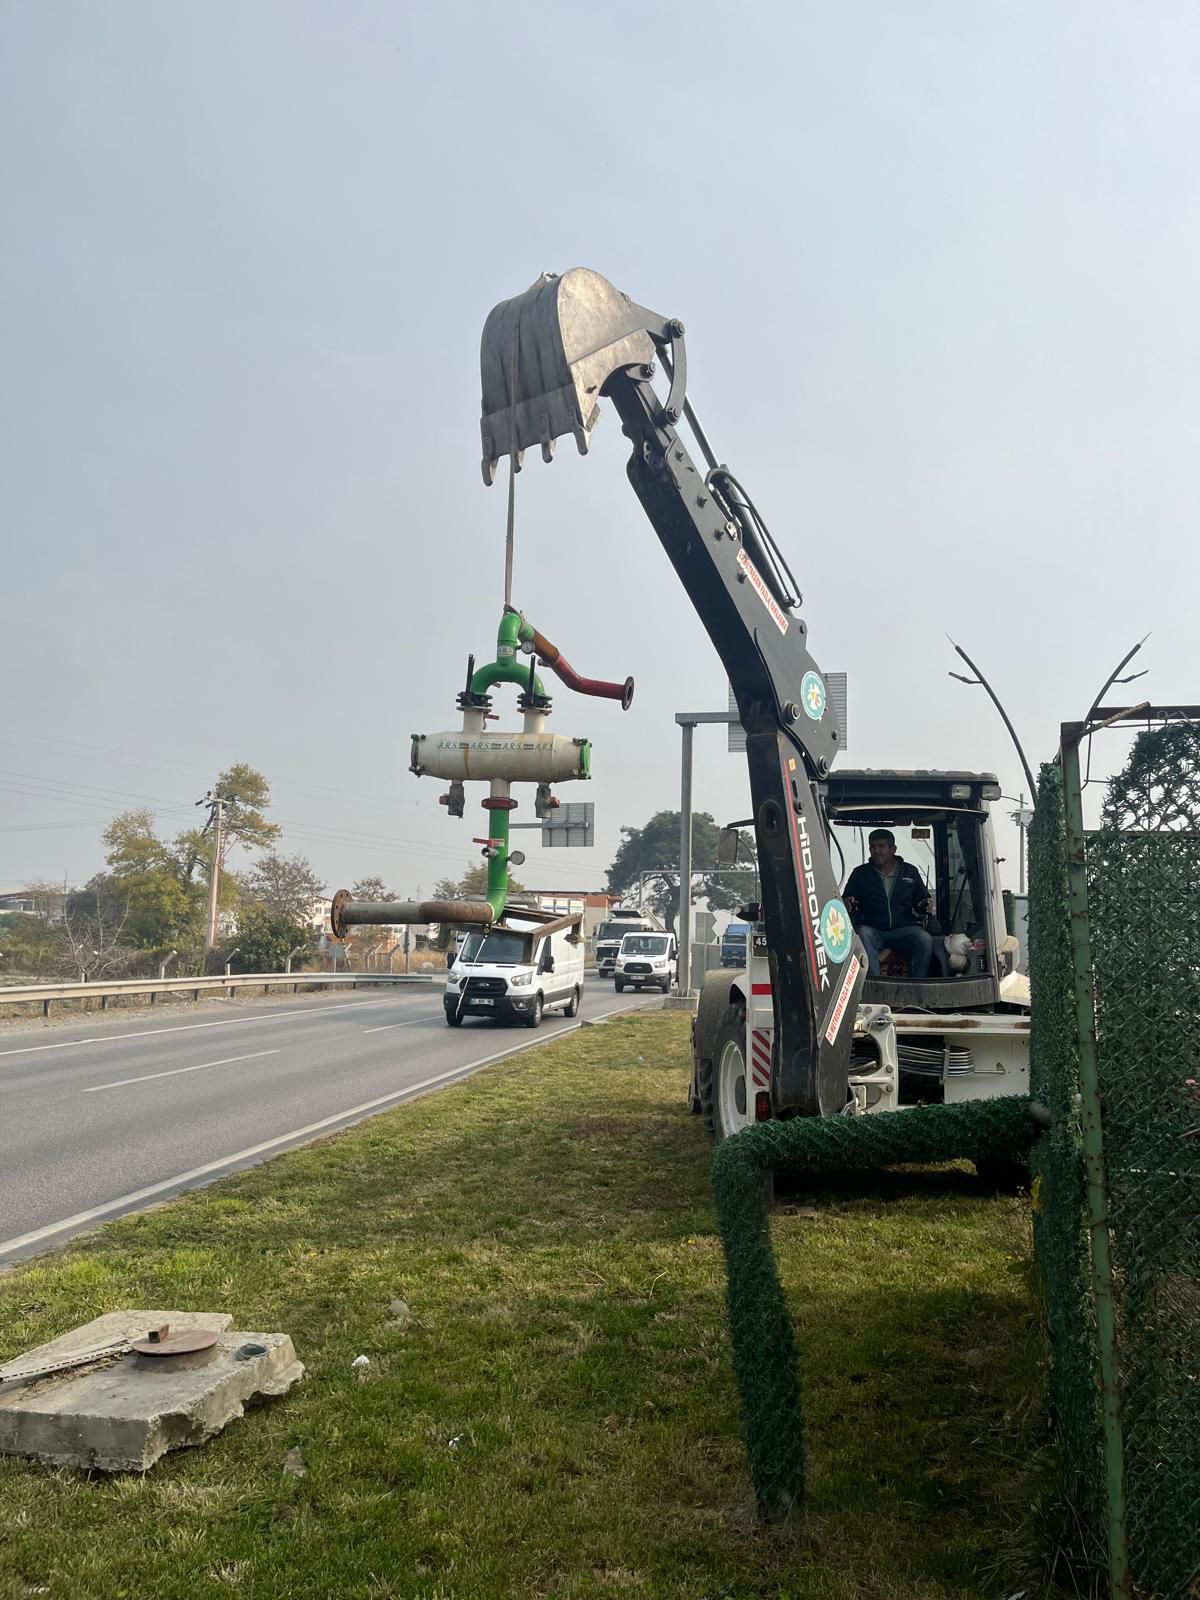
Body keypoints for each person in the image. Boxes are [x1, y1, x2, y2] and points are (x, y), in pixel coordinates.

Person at [844, 828, 934, 978]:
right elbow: (847, 898)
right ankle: (876, 984)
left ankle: (919, 984)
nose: (876, 851)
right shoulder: (860, 873)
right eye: (872, 847)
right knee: (863, 934)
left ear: (893, 849)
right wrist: (848, 901)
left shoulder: (910, 872)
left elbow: (921, 900)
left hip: (903, 929)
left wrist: (926, 903)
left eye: (881, 846)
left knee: (924, 938)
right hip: (873, 929)